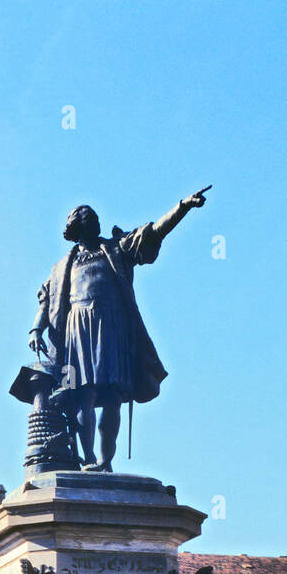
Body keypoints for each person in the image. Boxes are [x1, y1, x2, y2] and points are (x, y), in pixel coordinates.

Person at [28, 190, 210, 469]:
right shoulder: (62, 266)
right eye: (90, 218)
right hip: (76, 329)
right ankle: (87, 459)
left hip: (111, 324)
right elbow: (47, 298)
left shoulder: (116, 248)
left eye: (97, 218)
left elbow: (153, 233)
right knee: (82, 393)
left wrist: (182, 206)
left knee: (113, 394)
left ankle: (105, 461)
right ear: (78, 226)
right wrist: (36, 329)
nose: (97, 222)